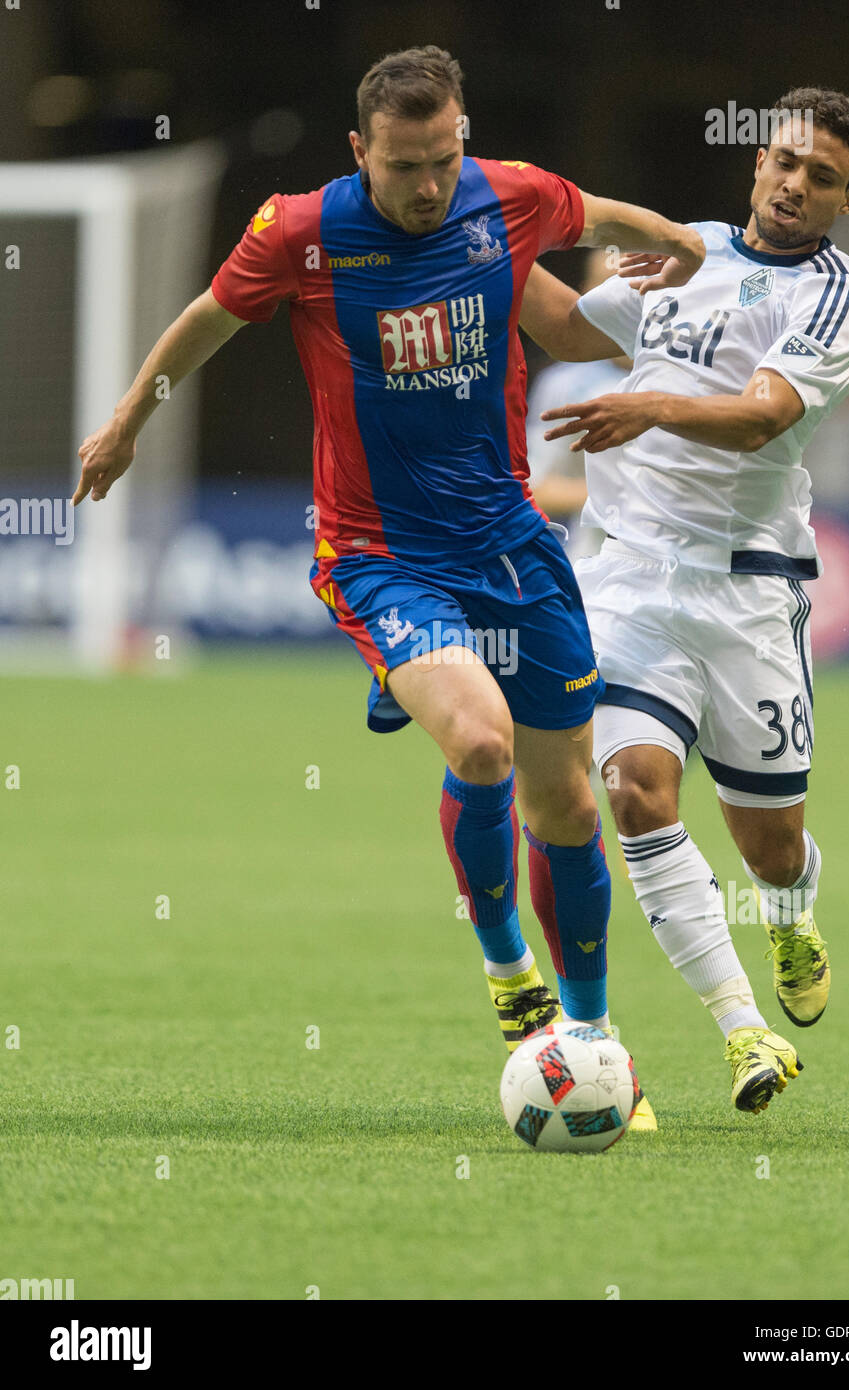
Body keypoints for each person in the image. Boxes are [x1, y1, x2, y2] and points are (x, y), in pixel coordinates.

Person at [72, 46, 704, 1128]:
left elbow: (600, 219)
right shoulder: (302, 231)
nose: (427, 187)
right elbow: (206, 321)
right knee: (481, 744)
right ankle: (514, 980)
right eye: (406, 165)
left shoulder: (502, 194)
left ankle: (593, 1033)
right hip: (377, 552)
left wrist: (690, 250)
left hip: (511, 540)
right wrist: (128, 419)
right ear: (360, 149)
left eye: (443, 159)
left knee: (566, 803)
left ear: (463, 136)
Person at [519, 87, 849, 1113]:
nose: (792, 185)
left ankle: (790, 912)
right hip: (626, 577)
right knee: (633, 792)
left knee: (769, 844)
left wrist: (651, 405)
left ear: (847, 198)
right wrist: (476, 240)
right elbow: (569, 328)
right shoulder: (687, 249)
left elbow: (763, 417)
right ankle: (740, 1030)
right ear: (757, 163)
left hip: (751, 595)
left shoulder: (837, 293)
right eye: (782, 162)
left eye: (818, 176)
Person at [526, 250, 632, 563]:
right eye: (608, 289)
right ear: (583, 296)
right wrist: (624, 494)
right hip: (592, 567)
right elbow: (535, 490)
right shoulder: (567, 385)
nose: (623, 301)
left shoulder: (689, 374)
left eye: (635, 287)